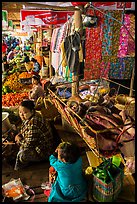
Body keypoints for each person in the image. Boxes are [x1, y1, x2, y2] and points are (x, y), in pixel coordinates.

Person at [14, 99, 58, 170]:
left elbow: (29, 145)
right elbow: (24, 129)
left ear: (31, 111)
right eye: (20, 112)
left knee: (22, 154)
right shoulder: (32, 116)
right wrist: (19, 135)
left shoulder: (34, 123)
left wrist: (19, 140)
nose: (21, 115)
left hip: (43, 151)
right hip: (39, 144)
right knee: (19, 146)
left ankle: (24, 167)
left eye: (25, 112)